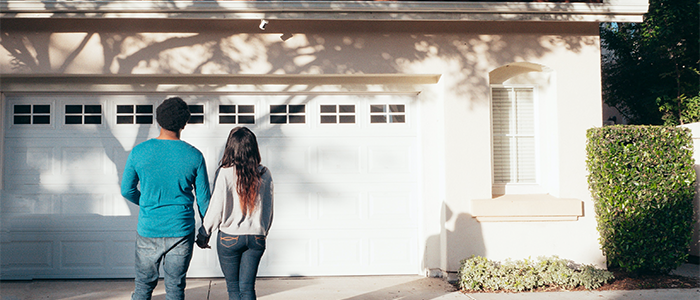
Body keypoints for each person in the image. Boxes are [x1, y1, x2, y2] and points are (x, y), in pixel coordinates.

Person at [121, 97, 211, 300]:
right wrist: (205, 232)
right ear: (184, 124)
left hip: (148, 229)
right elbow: (204, 200)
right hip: (181, 230)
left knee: (143, 287)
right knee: (175, 288)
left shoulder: (139, 152)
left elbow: (127, 190)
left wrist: (146, 203)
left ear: (158, 121)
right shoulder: (195, 156)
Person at [196, 126, 274, 300]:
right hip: (256, 237)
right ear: (253, 147)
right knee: (247, 288)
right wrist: (262, 231)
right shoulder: (264, 173)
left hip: (229, 237)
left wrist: (204, 232)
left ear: (230, 147)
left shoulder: (225, 172)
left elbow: (216, 207)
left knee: (233, 289)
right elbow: (268, 209)